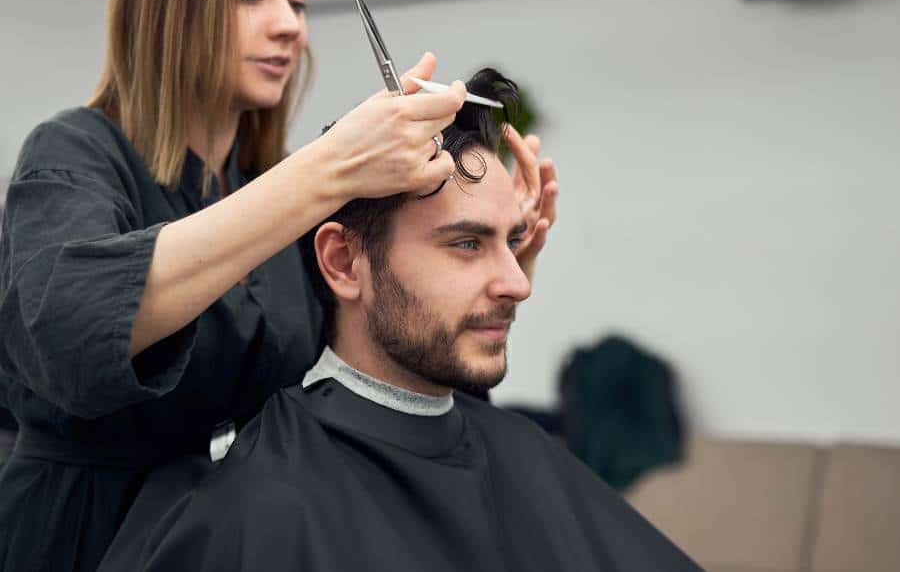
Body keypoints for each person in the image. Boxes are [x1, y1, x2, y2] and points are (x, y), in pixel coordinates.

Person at [0, 0, 557, 571]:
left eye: (297, 0)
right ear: (168, 8)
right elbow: (68, 330)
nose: (289, 25)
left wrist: (485, 262)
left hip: (228, 538)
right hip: (81, 543)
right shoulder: (74, 155)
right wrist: (330, 171)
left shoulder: (268, 184)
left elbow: (384, 348)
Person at [97, 68, 700, 572]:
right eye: (466, 244)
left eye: (511, 242)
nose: (518, 282)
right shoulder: (259, 502)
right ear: (343, 262)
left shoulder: (519, 453)